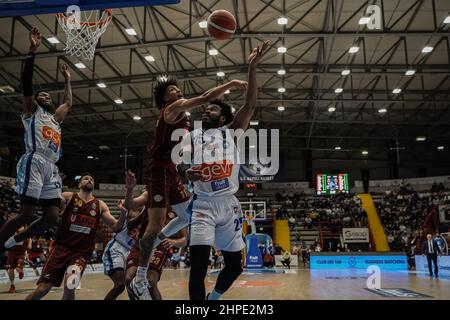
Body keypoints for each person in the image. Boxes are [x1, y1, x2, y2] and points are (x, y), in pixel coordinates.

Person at [128, 72, 248, 300]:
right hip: (158, 170)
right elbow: (205, 96)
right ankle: (140, 279)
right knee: (154, 226)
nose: (177, 91)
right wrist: (232, 83)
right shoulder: (173, 108)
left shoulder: (186, 120)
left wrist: (187, 165)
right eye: (172, 90)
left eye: (177, 89)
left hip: (172, 170)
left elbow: (183, 151)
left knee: (186, 215)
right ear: (165, 99)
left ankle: (159, 241)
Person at [176, 41, 270, 300]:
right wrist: (185, 172)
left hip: (229, 205)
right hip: (203, 204)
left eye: (213, 108)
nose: (207, 109)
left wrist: (252, 67)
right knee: (197, 268)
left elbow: (249, 104)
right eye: (206, 107)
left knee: (236, 266)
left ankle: (213, 299)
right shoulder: (192, 135)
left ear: (223, 118)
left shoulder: (231, 132)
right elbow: (179, 160)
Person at [0, 27, 72, 252]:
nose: (45, 96)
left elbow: (68, 103)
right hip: (35, 160)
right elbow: (27, 83)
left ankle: (14, 241)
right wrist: (32, 51)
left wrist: (68, 79)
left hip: (51, 167)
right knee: (26, 213)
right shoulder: (33, 112)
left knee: (51, 217)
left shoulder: (55, 119)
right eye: (42, 95)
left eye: (48, 96)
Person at [25, 173, 127, 300]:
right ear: (79, 184)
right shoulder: (68, 197)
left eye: (92, 179)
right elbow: (49, 206)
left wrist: (123, 213)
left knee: (70, 285)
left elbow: (116, 226)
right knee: (42, 289)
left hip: (81, 253)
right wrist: (55, 188)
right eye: (86, 178)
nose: (89, 180)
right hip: (60, 249)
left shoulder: (100, 205)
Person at [102, 200, 143, 300]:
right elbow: (132, 223)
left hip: (132, 252)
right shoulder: (133, 209)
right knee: (120, 285)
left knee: (133, 285)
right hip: (117, 248)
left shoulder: (153, 215)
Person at [6, 227, 31, 293]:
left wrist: (29, 244)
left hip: (21, 253)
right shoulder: (11, 232)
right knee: (10, 269)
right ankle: (12, 285)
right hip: (11, 253)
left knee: (18, 267)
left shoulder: (26, 232)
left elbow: (30, 238)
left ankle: (20, 271)